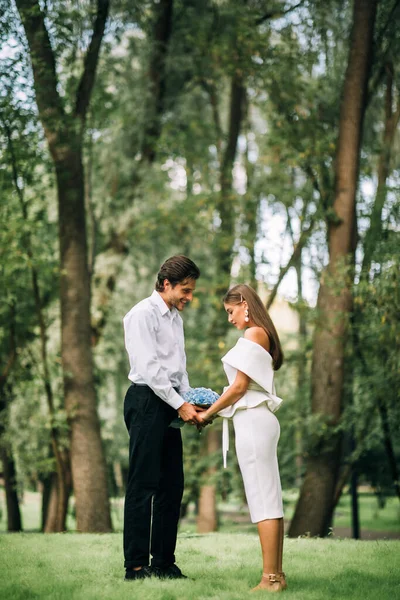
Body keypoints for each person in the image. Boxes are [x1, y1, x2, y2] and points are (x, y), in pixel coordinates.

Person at [197, 284, 286, 593]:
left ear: (244, 304)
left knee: (263, 500)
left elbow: (238, 388)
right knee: (269, 498)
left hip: (253, 423)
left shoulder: (253, 334)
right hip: (258, 421)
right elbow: (239, 390)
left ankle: (269, 579)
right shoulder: (262, 333)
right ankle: (277, 575)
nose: (230, 318)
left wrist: (207, 414)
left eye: (230, 311)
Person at [122, 255, 201, 581]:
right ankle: (136, 567)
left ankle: (164, 562)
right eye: (185, 290)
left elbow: (177, 370)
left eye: (191, 291)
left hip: (169, 401)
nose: (189, 297)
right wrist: (179, 404)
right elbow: (151, 369)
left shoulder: (175, 320)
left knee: (172, 486)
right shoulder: (141, 315)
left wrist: (191, 402)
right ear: (165, 284)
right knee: (143, 485)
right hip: (145, 401)